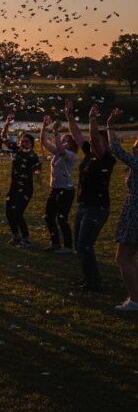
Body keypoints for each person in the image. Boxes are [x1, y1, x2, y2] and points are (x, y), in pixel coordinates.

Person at [69, 103, 116, 292]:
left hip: (97, 207)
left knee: (85, 244)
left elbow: (95, 140)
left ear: (105, 143)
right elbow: (77, 136)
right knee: (79, 245)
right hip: (84, 205)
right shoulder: (89, 153)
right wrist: (70, 116)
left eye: (99, 140)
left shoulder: (107, 159)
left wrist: (92, 120)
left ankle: (94, 282)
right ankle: (88, 279)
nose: (94, 141)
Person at [106, 108, 138, 311]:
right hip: (133, 208)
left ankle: (135, 301)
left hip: (135, 210)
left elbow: (116, 149)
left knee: (123, 257)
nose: (134, 150)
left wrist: (109, 125)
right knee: (129, 256)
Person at [0, 114, 41, 247]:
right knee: (9, 212)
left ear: (32, 144)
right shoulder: (16, 150)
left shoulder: (34, 156)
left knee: (18, 213)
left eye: (26, 141)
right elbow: (3, 137)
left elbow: (37, 172)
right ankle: (15, 236)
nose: (23, 143)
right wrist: (6, 124)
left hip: (26, 188)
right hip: (14, 187)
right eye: (22, 141)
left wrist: (37, 172)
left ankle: (26, 238)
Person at [39, 114, 78, 253]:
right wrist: (44, 127)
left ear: (72, 144)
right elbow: (43, 141)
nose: (62, 141)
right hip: (54, 189)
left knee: (62, 218)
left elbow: (61, 149)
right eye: (62, 140)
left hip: (66, 191)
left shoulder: (71, 155)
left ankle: (68, 246)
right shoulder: (57, 152)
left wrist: (56, 131)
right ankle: (55, 243)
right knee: (49, 217)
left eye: (66, 140)